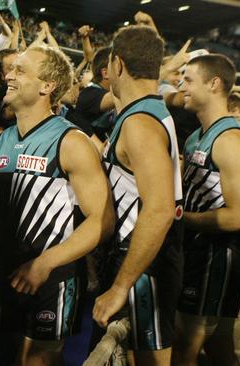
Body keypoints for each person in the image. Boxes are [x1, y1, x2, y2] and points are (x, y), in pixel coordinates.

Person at [0, 46, 114, 365]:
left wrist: (45, 263)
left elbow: (102, 220)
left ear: (47, 86)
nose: (8, 75)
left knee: (38, 361)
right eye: (11, 70)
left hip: (53, 274)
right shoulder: (3, 139)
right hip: (9, 271)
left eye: (20, 71)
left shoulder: (71, 141)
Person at [92, 25, 184, 366]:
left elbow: (159, 210)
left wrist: (119, 287)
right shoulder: (144, 112)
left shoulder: (139, 123)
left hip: (145, 261)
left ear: (117, 65)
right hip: (146, 258)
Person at [172, 54, 240, 366]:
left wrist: (178, 220)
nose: (181, 86)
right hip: (201, 255)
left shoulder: (230, 140)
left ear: (214, 84)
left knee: (184, 348)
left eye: (188, 79)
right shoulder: (195, 137)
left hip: (217, 259)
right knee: (217, 347)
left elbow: (238, 215)